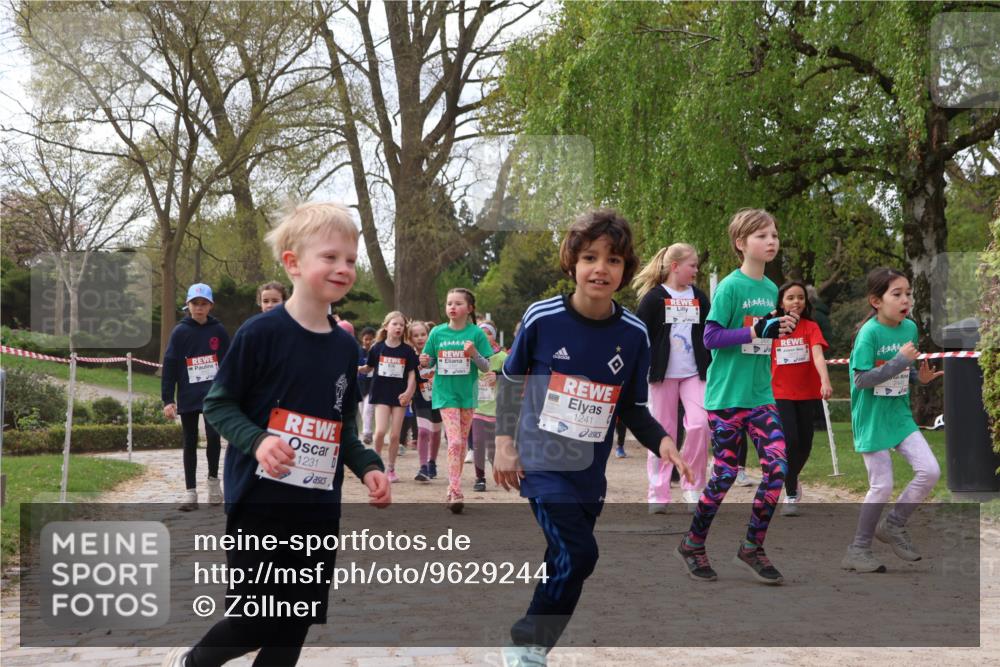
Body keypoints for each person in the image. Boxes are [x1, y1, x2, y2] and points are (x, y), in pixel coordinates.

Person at [162, 202, 390, 667]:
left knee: (296, 621)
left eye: (350, 259)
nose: (343, 268)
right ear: (293, 263)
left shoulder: (346, 345)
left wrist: (367, 466)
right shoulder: (259, 333)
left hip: (318, 506)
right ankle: (191, 662)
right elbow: (219, 404)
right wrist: (260, 440)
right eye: (329, 257)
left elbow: (341, 425)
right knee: (257, 618)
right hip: (260, 504)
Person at [494, 208, 690, 666]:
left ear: (624, 270)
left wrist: (662, 440)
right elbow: (510, 380)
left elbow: (632, 407)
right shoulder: (542, 318)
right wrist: (504, 444)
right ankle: (527, 642)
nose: (600, 268)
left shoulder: (634, 333)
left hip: (588, 474)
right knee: (581, 553)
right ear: (571, 263)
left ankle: (530, 648)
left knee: (564, 560)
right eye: (589, 258)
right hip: (540, 463)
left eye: (613, 260)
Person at [674, 208, 797, 585]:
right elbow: (709, 338)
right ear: (741, 244)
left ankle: (752, 547)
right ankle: (693, 543)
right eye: (762, 236)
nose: (771, 241)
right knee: (725, 474)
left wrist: (777, 330)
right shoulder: (730, 287)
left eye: (774, 235)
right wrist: (756, 331)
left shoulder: (770, 289)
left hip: (761, 397)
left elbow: (762, 336)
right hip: (726, 398)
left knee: (777, 469)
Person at [841, 268, 943, 573]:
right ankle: (857, 549)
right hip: (871, 418)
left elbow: (900, 372)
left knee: (931, 471)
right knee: (882, 486)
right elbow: (862, 380)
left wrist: (918, 378)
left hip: (899, 416)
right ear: (876, 300)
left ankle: (894, 524)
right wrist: (900, 361)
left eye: (908, 293)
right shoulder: (869, 334)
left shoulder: (909, 328)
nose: (905, 300)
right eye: (896, 294)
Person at [633, 243, 712, 513]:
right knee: (663, 431)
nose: (696, 270)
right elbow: (638, 335)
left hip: (694, 373)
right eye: (692, 265)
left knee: (700, 425)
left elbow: (709, 333)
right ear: (676, 267)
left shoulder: (699, 297)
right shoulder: (654, 299)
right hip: (661, 375)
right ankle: (658, 492)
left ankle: (693, 486)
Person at [419, 289, 494, 513]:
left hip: (467, 395)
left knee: (460, 445)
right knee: (455, 443)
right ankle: (456, 490)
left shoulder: (476, 334)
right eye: (449, 303)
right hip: (445, 393)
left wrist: (473, 354)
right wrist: (424, 361)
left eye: (458, 303)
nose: (452, 307)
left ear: (469, 309)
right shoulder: (437, 333)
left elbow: (486, 366)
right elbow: (429, 362)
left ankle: (453, 488)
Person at [161, 283, 230, 512]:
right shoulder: (180, 332)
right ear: (188, 306)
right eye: (194, 304)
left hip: (214, 395)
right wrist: (167, 399)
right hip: (189, 394)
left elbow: (229, 362)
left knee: (213, 437)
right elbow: (170, 366)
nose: (199, 308)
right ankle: (190, 492)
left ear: (210, 306)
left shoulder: (218, 331)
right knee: (190, 441)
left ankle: (213, 482)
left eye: (203, 304)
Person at [770, 280, 833, 516]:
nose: (796, 302)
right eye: (790, 297)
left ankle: (791, 478)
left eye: (800, 297)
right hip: (780, 393)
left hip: (807, 393)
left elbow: (817, 355)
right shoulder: (772, 327)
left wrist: (825, 381)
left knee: (805, 443)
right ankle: (790, 492)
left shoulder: (810, 327)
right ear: (781, 302)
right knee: (791, 440)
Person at [359, 311, 418, 483]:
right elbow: (369, 367)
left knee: (394, 436)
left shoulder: (407, 351)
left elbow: (412, 374)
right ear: (386, 327)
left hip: (399, 396)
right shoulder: (377, 348)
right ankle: (376, 465)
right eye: (395, 324)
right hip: (381, 394)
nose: (398, 327)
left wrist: (408, 392)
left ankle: (391, 469)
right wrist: (357, 369)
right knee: (379, 432)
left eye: (401, 325)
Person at [471, 320, 507, 492]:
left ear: (494, 336)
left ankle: (497, 468)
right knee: (478, 442)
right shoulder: (471, 355)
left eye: (489, 333)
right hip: (477, 408)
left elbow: (513, 375)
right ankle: (480, 478)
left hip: (496, 409)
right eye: (482, 333)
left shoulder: (502, 357)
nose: (485, 336)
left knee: (492, 449)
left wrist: (498, 376)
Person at [407, 320, 442, 482]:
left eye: (423, 334)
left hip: (439, 398)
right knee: (423, 431)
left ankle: (432, 462)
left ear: (429, 335)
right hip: (420, 398)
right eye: (416, 335)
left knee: (435, 433)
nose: (420, 338)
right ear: (410, 338)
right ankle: (423, 467)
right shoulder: (411, 356)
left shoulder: (436, 352)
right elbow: (410, 377)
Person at [357, 326, 377, 444]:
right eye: (366, 339)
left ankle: (367, 433)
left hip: (372, 385)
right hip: (360, 385)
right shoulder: (359, 351)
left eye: (371, 339)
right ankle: (366, 431)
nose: (369, 341)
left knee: (368, 409)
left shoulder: (376, 350)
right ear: (362, 339)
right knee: (361, 410)